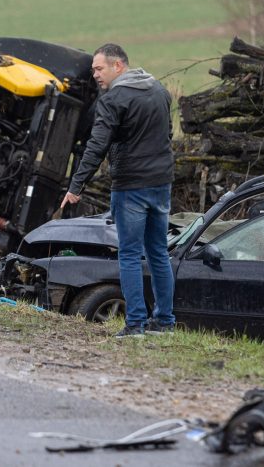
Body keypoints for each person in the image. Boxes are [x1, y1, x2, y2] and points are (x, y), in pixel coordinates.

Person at [61, 43, 176, 337]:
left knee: (128, 255)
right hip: (161, 184)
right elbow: (168, 135)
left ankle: (135, 323)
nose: (96, 75)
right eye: (94, 70)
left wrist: (76, 186)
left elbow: (96, 145)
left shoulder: (113, 100)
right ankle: (164, 322)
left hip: (131, 188)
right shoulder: (159, 90)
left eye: (99, 69)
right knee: (158, 254)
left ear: (118, 66)